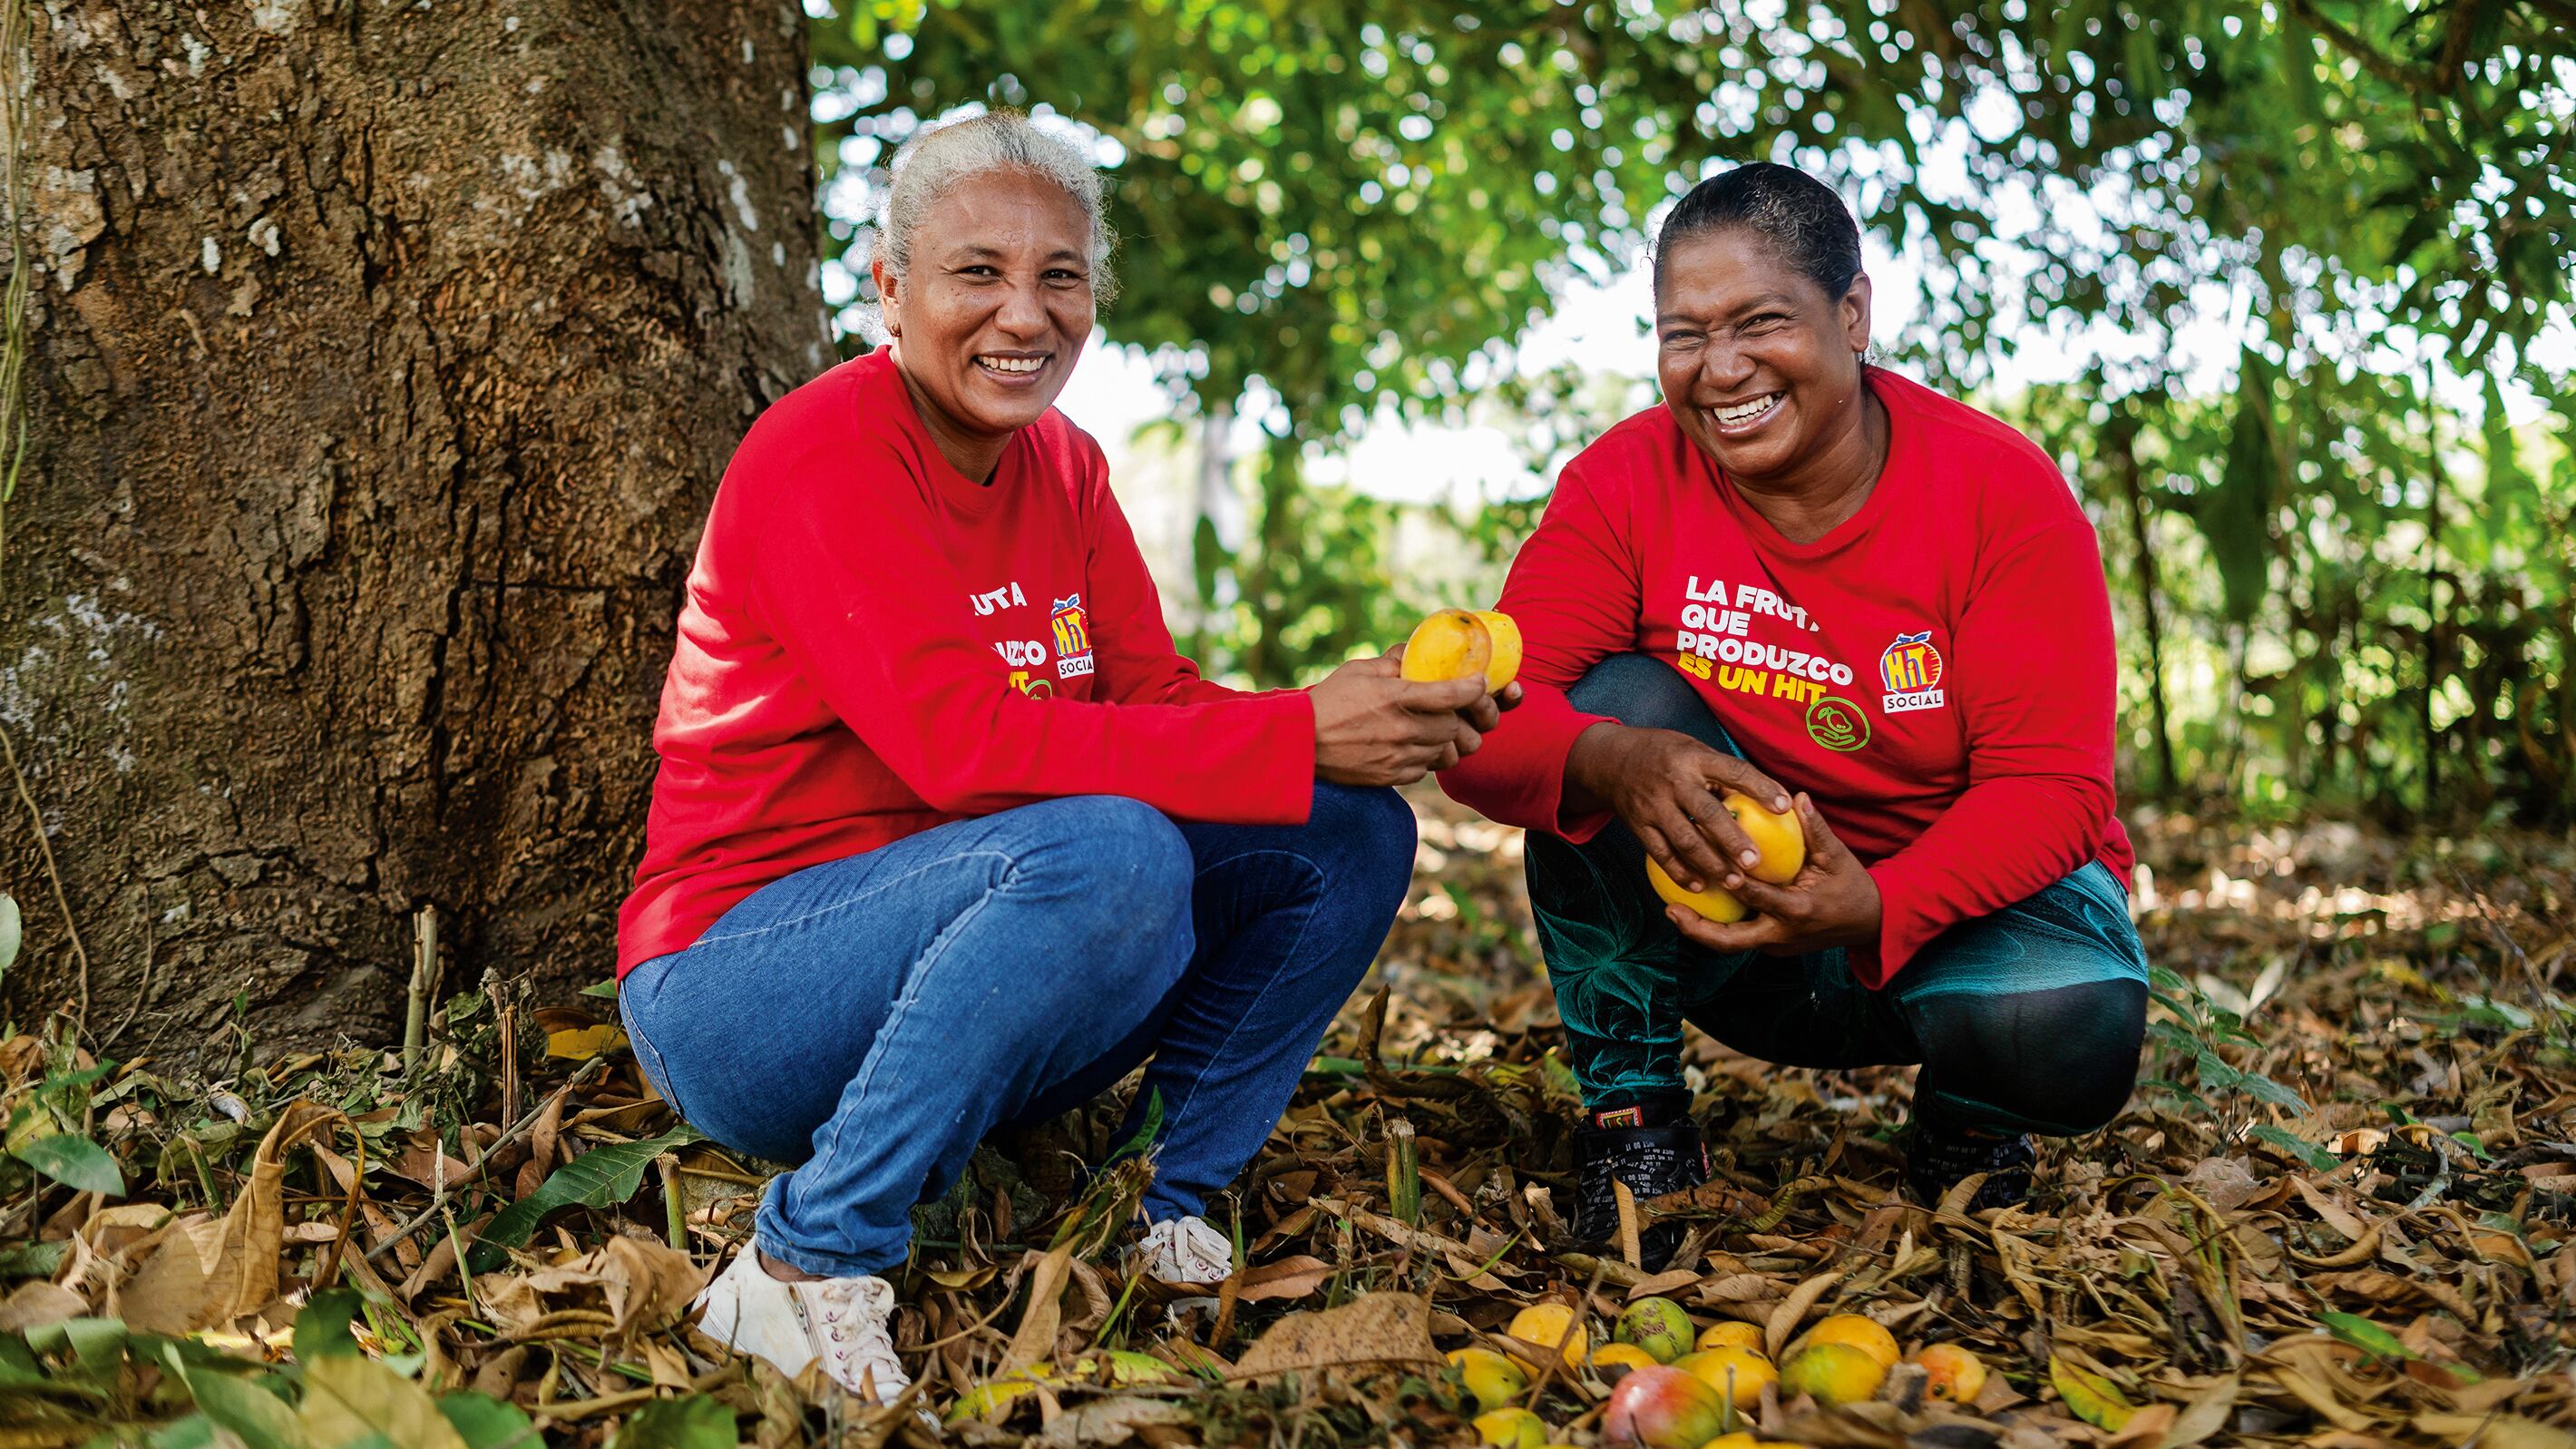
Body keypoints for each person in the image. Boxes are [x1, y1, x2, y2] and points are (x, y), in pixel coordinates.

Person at [615, 112, 1504, 1402]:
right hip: (745, 985)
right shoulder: (825, 450)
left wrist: (1350, 727)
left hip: (991, 948)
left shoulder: (1068, 468)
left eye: (1061, 276)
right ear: (891, 286)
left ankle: (1157, 1203)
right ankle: (806, 1260)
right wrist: (1295, 727)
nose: (1023, 314)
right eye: (978, 271)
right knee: (1114, 845)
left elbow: (1153, 697)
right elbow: (956, 746)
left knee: (1346, 830)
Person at [1440, 162, 2149, 1270]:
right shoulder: (1625, 479)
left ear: (1851, 314)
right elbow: (1487, 727)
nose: (1720, 370)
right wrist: (1614, 757)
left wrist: (1877, 901)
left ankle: (1968, 1124)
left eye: (1758, 322)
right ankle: (1637, 1135)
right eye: (1683, 335)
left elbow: (2053, 790)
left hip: (1936, 936)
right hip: (1729, 930)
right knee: (1603, 710)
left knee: (2063, 1024)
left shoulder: (1997, 493)